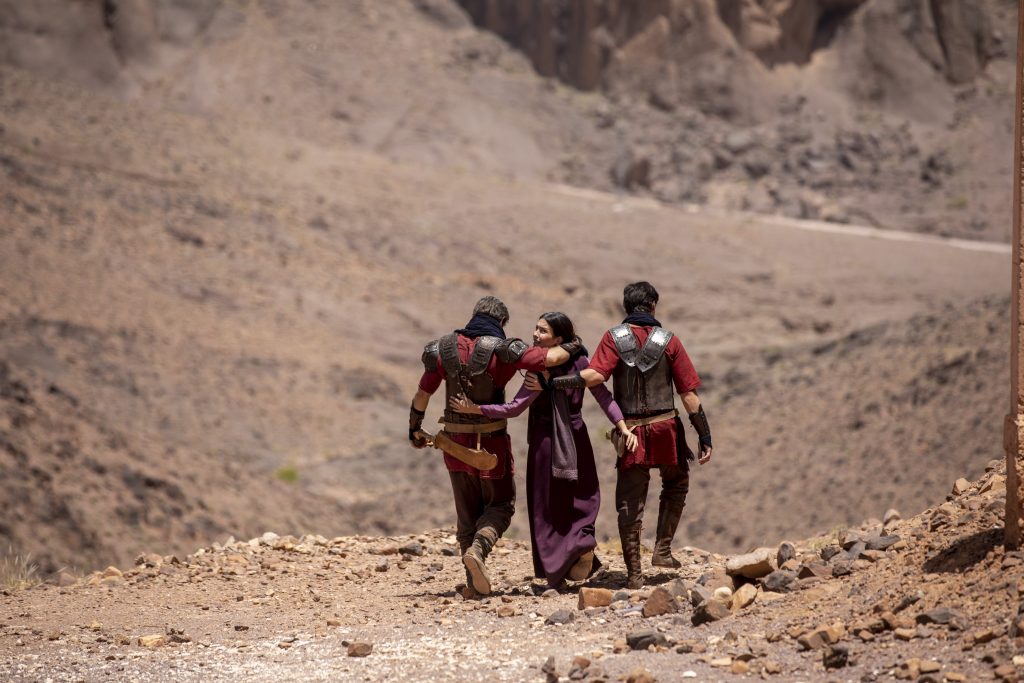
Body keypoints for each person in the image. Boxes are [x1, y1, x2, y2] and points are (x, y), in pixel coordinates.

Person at [450, 312, 639, 588]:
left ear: (558, 338)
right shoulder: (582, 361)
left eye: (542, 331)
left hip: (546, 443)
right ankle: (582, 546)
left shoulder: (539, 371)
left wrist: (475, 409)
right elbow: (603, 396)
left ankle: (561, 568)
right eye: (535, 329)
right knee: (581, 495)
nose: (535, 335)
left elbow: (513, 409)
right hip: (577, 438)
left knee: (547, 506)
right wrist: (621, 425)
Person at [409, 296, 579, 597]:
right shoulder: (503, 349)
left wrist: (414, 428)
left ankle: (473, 578)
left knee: (466, 514)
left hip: (453, 442)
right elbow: (548, 360)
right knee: (500, 505)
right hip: (490, 443)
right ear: (501, 323)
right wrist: (572, 344)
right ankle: (479, 550)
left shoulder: (443, 349)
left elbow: (423, 393)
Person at [548, 282, 712, 589]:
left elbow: (595, 376)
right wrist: (704, 435)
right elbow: (688, 394)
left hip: (632, 431)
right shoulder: (670, 341)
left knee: (629, 502)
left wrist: (555, 383)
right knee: (676, 482)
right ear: (652, 306)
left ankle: (634, 576)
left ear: (627, 307)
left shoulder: (613, 338)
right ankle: (662, 548)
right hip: (666, 429)